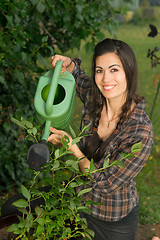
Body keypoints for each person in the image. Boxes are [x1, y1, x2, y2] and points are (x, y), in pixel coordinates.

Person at [49, 38, 153, 240]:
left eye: (114, 70)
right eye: (99, 70)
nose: (106, 79)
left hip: (112, 220)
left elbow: (106, 183)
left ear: (128, 72)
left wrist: (73, 150)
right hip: (79, 203)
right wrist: (68, 64)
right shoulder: (94, 95)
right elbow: (77, 75)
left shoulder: (141, 131)